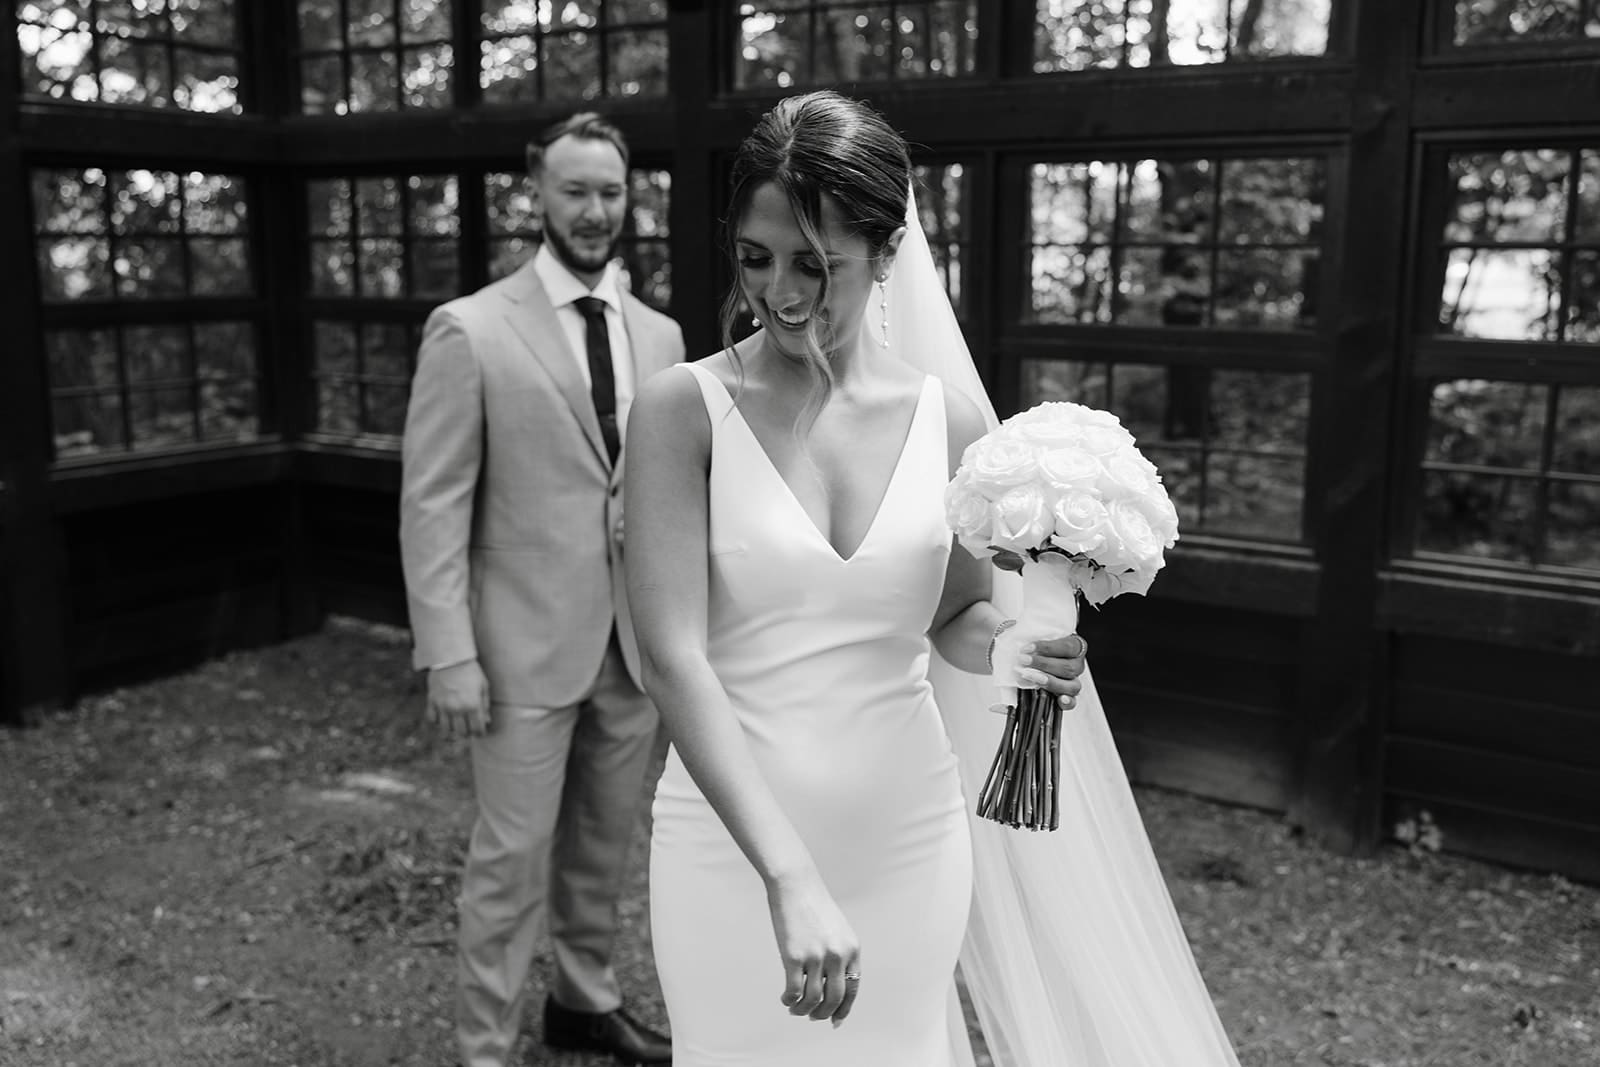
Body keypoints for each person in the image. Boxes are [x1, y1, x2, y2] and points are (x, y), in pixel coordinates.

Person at [625, 91, 1244, 1066]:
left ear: (886, 251)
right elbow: (670, 659)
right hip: (730, 846)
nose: (779, 293)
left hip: (904, 836)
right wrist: (787, 873)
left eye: (816, 265)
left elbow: (954, 609)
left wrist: (1011, 645)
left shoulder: (947, 420)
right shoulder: (681, 410)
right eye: (756, 257)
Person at [399, 111, 682, 1067]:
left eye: (611, 190)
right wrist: (449, 652)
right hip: (516, 651)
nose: (596, 210)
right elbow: (432, 504)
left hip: (632, 649)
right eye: (575, 190)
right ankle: (483, 1046)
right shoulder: (470, 329)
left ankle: (582, 1001)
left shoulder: (663, 334)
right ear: (538, 192)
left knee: (604, 846)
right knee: (508, 863)